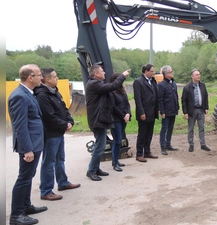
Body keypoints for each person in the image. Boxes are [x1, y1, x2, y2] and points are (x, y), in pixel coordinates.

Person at [8, 64, 48, 225]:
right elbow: (20, 125)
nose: (42, 78)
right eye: (39, 75)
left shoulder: (27, 93)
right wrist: (27, 149)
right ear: (30, 77)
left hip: (35, 143)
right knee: (24, 178)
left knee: (28, 176)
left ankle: (26, 206)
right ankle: (16, 215)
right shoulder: (19, 96)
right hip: (29, 145)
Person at [34, 68, 80, 201]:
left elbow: (64, 109)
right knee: (49, 162)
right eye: (55, 76)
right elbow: (49, 116)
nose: (57, 78)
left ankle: (63, 182)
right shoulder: (42, 95)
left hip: (59, 132)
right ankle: (46, 190)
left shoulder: (55, 92)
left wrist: (69, 121)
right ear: (47, 79)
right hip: (51, 133)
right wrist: (64, 124)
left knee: (60, 159)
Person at [85, 65, 130, 181]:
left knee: (101, 145)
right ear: (96, 74)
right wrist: (123, 76)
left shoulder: (96, 84)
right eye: (102, 71)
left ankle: (96, 168)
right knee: (100, 146)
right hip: (97, 120)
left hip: (101, 119)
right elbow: (112, 86)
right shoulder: (94, 84)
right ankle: (91, 171)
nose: (104, 73)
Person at [133, 64, 159, 162]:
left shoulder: (152, 81)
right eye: (152, 71)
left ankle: (147, 151)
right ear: (146, 71)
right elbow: (138, 99)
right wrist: (141, 112)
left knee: (149, 133)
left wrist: (158, 108)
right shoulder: (138, 82)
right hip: (144, 112)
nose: (153, 73)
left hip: (152, 111)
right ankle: (139, 154)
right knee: (142, 134)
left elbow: (156, 95)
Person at [181, 69, 211, 152]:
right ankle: (191, 144)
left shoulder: (202, 85)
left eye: (199, 74)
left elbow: (205, 96)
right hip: (192, 110)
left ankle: (203, 144)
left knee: (201, 127)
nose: (199, 76)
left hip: (201, 109)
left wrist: (206, 108)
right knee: (191, 128)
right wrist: (185, 112)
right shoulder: (187, 87)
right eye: (197, 74)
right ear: (192, 76)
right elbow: (184, 100)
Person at [109, 73, 132, 172]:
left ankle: (117, 160)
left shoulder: (122, 91)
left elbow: (127, 103)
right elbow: (113, 107)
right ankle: (114, 162)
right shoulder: (111, 92)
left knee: (119, 140)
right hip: (116, 120)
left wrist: (128, 114)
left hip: (124, 119)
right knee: (117, 140)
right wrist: (123, 115)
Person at [158, 65, 179, 155]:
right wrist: (162, 111)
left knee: (170, 128)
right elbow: (160, 99)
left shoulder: (173, 83)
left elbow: (176, 96)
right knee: (164, 128)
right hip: (166, 111)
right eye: (171, 72)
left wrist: (177, 107)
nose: (172, 73)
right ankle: (163, 146)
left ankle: (168, 144)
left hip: (173, 110)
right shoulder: (161, 85)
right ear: (166, 74)